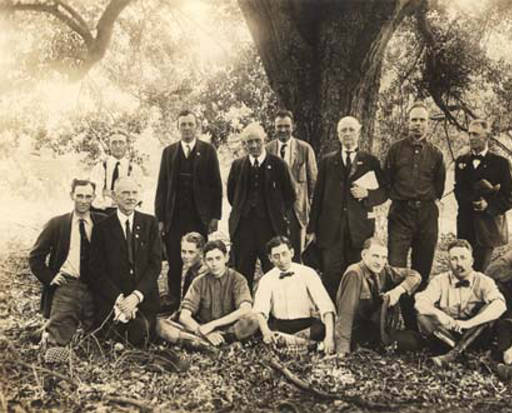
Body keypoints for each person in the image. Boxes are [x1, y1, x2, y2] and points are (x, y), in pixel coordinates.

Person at [307, 116, 387, 300]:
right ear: (338, 134)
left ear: (359, 132)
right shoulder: (327, 162)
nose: (348, 134)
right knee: (331, 275)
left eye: (351, 129)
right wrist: (312, 229)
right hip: (331, 231)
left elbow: (384, 192)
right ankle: (330, 318)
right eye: (344, 130)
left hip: (359, 231)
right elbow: (317, 197)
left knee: (356, 275)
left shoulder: (370, 161)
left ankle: (354, 321)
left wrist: (367, 194)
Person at [384, 102, 446, 329]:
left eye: (422, 120)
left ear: (428, 125)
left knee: (423, 266)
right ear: (408, 122)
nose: (417, 125)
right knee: (395, 266)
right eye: (414, 120)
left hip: (427, 213)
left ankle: (415, 321)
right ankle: (391, 320)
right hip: (401, 212)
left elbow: (439, 187)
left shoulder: (436, 154)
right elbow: (386, 181)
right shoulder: (395, 150)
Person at [155, 110, 222, 311]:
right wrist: (160, 219)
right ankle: (174, 299)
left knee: (198, 259)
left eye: (190, 124)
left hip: (199, 216)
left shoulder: (208, 151)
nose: (186, 128)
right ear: (178, 127)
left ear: (197, 126)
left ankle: (198, 301)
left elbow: (216, 185)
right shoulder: (169, 152)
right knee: (175, 260)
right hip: (174, 216)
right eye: (183, 124)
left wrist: (214, 216)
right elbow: (162, 186)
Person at [29, 179, 105, 357]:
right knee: (56, 344)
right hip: (67, 285)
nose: (84, 201)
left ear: (94, 197)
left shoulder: (102, 222)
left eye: (88, 196)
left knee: (98, 339)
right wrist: (50, 277)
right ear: (72, 196)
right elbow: (35, 257)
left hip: (97, 287)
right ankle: (50, 332)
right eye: (79, 196)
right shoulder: (58, 224)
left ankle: (44, 330)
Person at [88, 177, 162, 346]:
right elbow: (96, 271)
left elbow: (155, 265)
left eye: (134, 192)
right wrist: (120, 299)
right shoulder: (102, 228)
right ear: (114, 196)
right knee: (109, 336)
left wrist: (136, 296)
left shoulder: (150, 223)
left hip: (143, 298)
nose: (131, 197)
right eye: (125, 193)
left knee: (140, 333)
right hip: (114, 299)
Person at [415, 239, 506, 367]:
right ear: (449, 262)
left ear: (472, 261)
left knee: (489, 311)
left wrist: (468, 324)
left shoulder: (484, 281)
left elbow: (500, 305)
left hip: (475, 333)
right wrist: (440, 315)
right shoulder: (440, 280)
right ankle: (462, 351)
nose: (459, 263)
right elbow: (420, 302)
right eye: (454, 259)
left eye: (463, 258)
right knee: (423, 317)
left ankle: (453, 355)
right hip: (446, 335)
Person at [227, 122, 296, 290]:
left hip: (270, 228)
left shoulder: (278, 165)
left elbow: (290, 195)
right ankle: (244, 306)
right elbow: (232, 196)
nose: (254, 145)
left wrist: (276, 214)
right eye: (249, 142)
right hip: (244, 229)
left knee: (272, 269)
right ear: (244, 144)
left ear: (264, 140)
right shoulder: (238, 166)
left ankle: (275, 308)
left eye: (257, 140)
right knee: (243, 270)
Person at [335, 237, 422, 355]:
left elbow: (415, 275)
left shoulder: (383, 270)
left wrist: (398, 291)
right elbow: (346, 314)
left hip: (376, 328)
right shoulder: (354, 273)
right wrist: (342, 351)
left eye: (384, 257)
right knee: (411, 342)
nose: (380, 261)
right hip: (357, 331)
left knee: (414, 340)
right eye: (375, 256)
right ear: (364, 255)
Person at [253, 236, 336, 354]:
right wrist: (266, 332)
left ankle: (292, 343)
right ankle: (306, 345)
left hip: (306, 324)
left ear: (291, 252)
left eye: (284, 254)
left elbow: (326, 307)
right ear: (270, 258)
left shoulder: (308, 273)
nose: (281, 260)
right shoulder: (267, 279)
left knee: (321, 329)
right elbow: (260, 310)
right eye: (276, 256)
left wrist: (329, 338)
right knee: (261, 330)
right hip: (281, 325)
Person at [454, 118, 512, 272]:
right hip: (465, 226)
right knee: (462, 269)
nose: (471, 137)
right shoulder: (461, 162)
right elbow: (458, 191)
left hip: (488, 228)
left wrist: (488, 205)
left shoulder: (501, 164)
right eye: (469, 134)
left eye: (476, 134)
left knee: (481, 273)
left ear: (486, 137)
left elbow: (508, 196)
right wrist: (469, 201)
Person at [178, 240, 258, 346]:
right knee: (162, 325)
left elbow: (245, 309)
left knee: (252, 320)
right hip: (203, 328)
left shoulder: (237, 279)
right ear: (205, 261)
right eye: (210, 259)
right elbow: (184, 316)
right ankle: (211, 341)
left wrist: (213, 325)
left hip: (230, 328)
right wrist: (203, 331)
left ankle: (218, 340)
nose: (214, 264)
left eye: (218, 258)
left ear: (226, 258)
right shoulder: (199, 282)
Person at [266, 109, 317, 261]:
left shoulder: (305, 149)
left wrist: (312, 214)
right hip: (274, 212)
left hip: (298, 211)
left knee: (297, 255)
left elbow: (314, 183)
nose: (283, 130)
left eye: (286, 126)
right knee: (275, 254)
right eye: (279, 126)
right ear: (274, 127)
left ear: (293, 126)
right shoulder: (267, 150)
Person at [89, 131, 142, 213]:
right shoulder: (99, 168)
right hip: (102, 213)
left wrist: (107, 193)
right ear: (109, 145)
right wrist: (118, 200)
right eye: (114, 143)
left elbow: (138, 197)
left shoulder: (135, 169)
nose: (117, 146)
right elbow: (95, 196)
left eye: (121, 142)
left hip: (127, 214)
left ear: (126, 145)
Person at [180, 232, 208, 302]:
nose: (186, 256)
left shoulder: (205, 275)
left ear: (201, 252)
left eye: (191, 252)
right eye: (183, 251)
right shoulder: (190, 271)